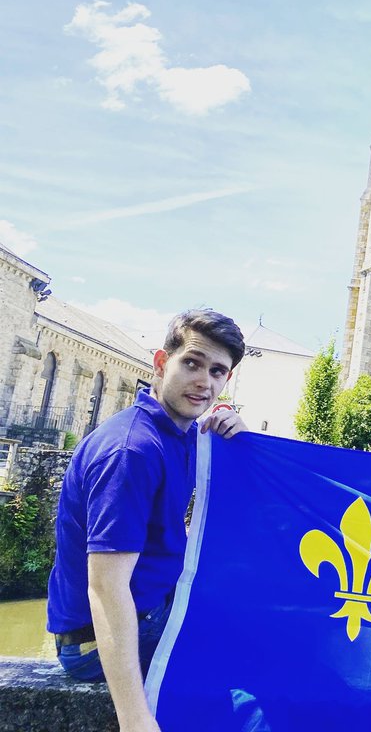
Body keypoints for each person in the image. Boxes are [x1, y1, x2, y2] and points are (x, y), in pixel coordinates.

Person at [47, 308, 248, 732]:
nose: (204, 382)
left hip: (154, 605)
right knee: (250, 682)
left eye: (217, 371)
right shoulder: (131, 452)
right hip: (94, 642)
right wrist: (135, 718)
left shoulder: (183, 434)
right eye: (192, 363)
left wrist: (235, 437)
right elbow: (105, 588)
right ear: (160, 363)